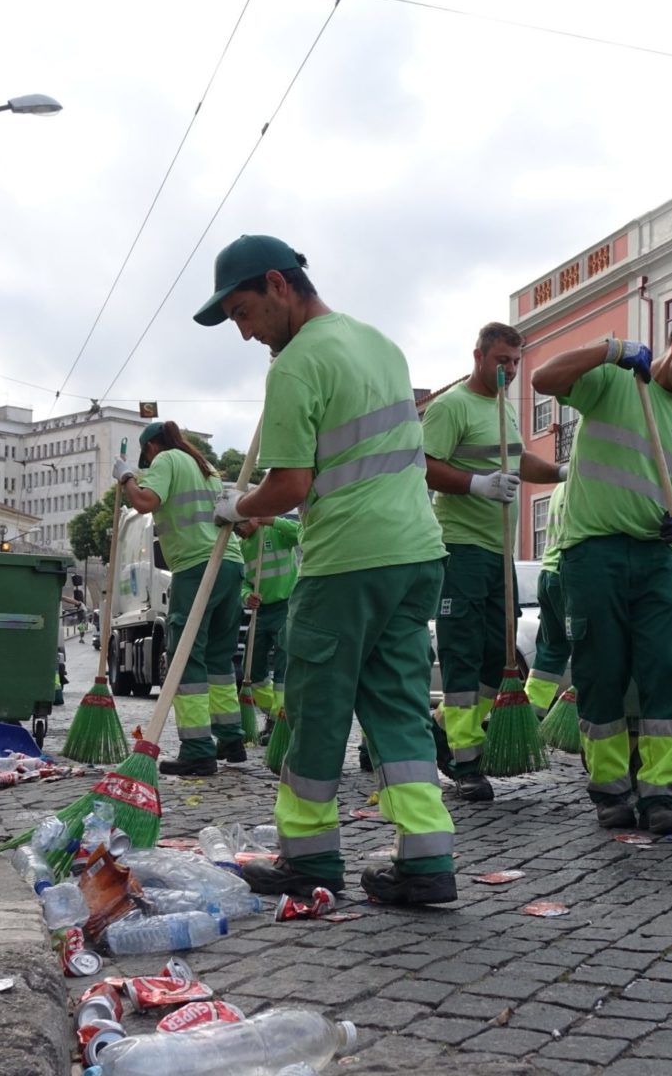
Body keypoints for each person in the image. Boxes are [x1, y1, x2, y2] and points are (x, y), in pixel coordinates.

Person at [198, 233, 457, 905]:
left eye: (244, 313)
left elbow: (289, 483)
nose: (247, 333)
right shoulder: (381, 345)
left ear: (280, 285)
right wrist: (265, 506)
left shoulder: (295, 365)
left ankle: (309, 859)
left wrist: (236, 508)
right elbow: (347, 469)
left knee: (315, 709)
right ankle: (427, 861)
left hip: (347, 563)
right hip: (417, 554)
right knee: (398, 707)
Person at [531, 308, 672, 834]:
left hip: (655, 555)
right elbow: (543, 378)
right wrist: (610, 350)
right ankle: (610, 791)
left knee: (668, 667)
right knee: (601, 671)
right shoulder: (612, 383)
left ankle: (661, 792)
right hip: (592, 550)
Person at [424, 322, 568, 802]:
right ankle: (466, 760)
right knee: (462, 652)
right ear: (479, 356)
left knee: (498, 655)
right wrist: (475, 483)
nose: (508, 369)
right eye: (501, 360)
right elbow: (423, 464)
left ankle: (446, 725)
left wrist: (562, 472)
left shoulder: (505, 410)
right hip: (460, 546)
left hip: (497, 551)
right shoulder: (451, 407)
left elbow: (520, 459)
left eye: (514, 361)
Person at [115, 420, 246, 775]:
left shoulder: (166, 460)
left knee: (185, 656)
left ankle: (198, 749)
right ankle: (231, 739)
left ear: (151, 448)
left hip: (196, 566)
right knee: (219, 660)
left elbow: (145, 502)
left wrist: (127, 478)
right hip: (230, 564)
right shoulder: (207, 469)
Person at [236, 511, 301, 738]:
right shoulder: (241, 546)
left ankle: (280, 723)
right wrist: (246, 596)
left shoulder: (275, 531)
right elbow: (242, 582)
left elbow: (301, 534)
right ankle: (274, 714)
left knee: (284, 665)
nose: (240, 528)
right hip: (261, 612)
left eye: (244, 521)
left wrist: (273, 520)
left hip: (287, 606)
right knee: (251, 669)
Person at [524, 481, 571, 713]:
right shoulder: (586, 485)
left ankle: (530, 716)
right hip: (566, 574)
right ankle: (576, 715)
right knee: (590, 650)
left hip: (548, 573)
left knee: (551, 651)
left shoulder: (560, 487)